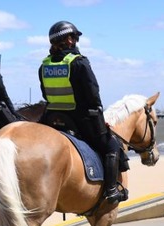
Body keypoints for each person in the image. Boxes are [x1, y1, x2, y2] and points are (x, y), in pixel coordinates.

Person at [38, 20, 127, 204]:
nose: (75, 41)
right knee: (111, 145)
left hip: (51, 118)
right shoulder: (79, 63)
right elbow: (93, 97)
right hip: (79, 119)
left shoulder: (44, 66)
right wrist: (101, 121)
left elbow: (45, 94)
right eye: (74, 37)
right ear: (69, 40)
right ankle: (111, 190)